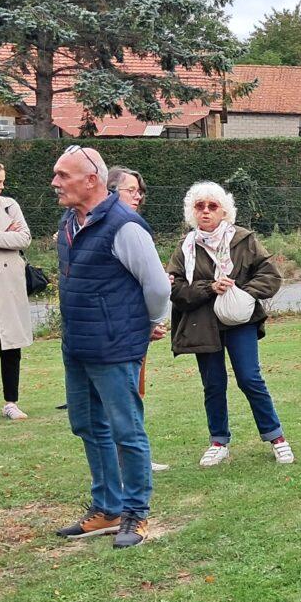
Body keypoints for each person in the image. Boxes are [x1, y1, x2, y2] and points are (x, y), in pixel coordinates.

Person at [51, 145, 170, 549]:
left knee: (126, 430)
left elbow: (157, 286)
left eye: (63, 175)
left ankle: (136, 512)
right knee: (86, 424)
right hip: (77, 345)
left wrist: (148, 325)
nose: (55, 183)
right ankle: (107, 508)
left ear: (91, 180)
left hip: (115, 346)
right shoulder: (70, 221)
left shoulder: (125, 226)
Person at [166, 181, 293, 467]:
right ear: (192, 212)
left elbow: (270, 276)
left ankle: (276, 438)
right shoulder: (185, 247)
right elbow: (176, 289)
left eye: (212, 206)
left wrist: (241, 293)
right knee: (213, 383)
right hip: (202, 323)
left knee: (249, 378)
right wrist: (210, 288)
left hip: (239, 321)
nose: (206, 211)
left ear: (224, 211)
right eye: (199, 206)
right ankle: (218, 441)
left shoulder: (244, 240)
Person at [106, 166, 169, 471]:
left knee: (134, 393)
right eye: (130, 190)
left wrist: (149, 322)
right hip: (115, 332)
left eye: (139, 191)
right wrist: (152, 320)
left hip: (133, 327)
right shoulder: (119, 228)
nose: (137, 196)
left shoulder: (130, 226)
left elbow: (149, 282)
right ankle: (123, 465)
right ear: (109, 191)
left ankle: (134, 458)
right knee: (118, 400)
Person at [0, 157, 33, 421]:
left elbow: (24, 238)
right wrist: (5, 238)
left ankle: (11, 402)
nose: (2, 186)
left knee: (10, 343)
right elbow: (13, 239)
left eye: (3, 181)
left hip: (10, 282)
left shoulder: (10, 205)